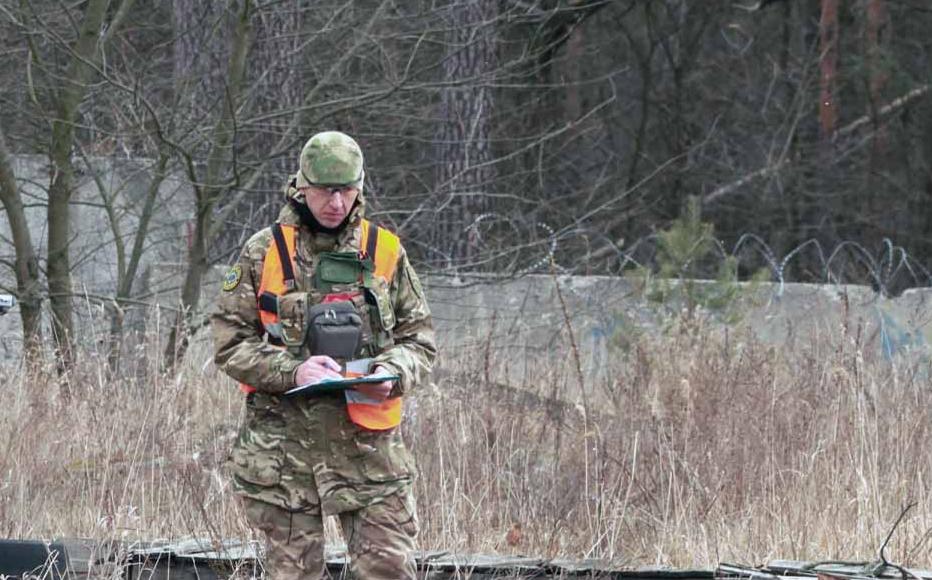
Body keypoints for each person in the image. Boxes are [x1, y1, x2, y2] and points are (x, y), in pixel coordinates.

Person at [211, 131, 436, 579]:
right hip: (283, 456)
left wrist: (392, 370)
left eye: (346, 189)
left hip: (369, 452)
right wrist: (294, 371)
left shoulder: (384, 251)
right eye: (325, 190)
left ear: (360, 187)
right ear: (302, 187)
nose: (336, 201)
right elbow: (228, 342)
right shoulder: (264, 251)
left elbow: (420, 340)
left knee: (389, 569)